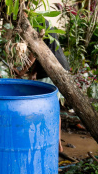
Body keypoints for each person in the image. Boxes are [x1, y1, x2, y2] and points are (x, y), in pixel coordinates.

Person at [13, 20, 68, 152]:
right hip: (61, 66)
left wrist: (21, 72)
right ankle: (58, 144)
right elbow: (45, 50)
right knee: (55, 109)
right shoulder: (45, 22)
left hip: (50, 70)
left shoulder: (33, 26)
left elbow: (34, 54)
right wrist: (33, 73)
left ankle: (50, 144)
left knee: (46, 110)